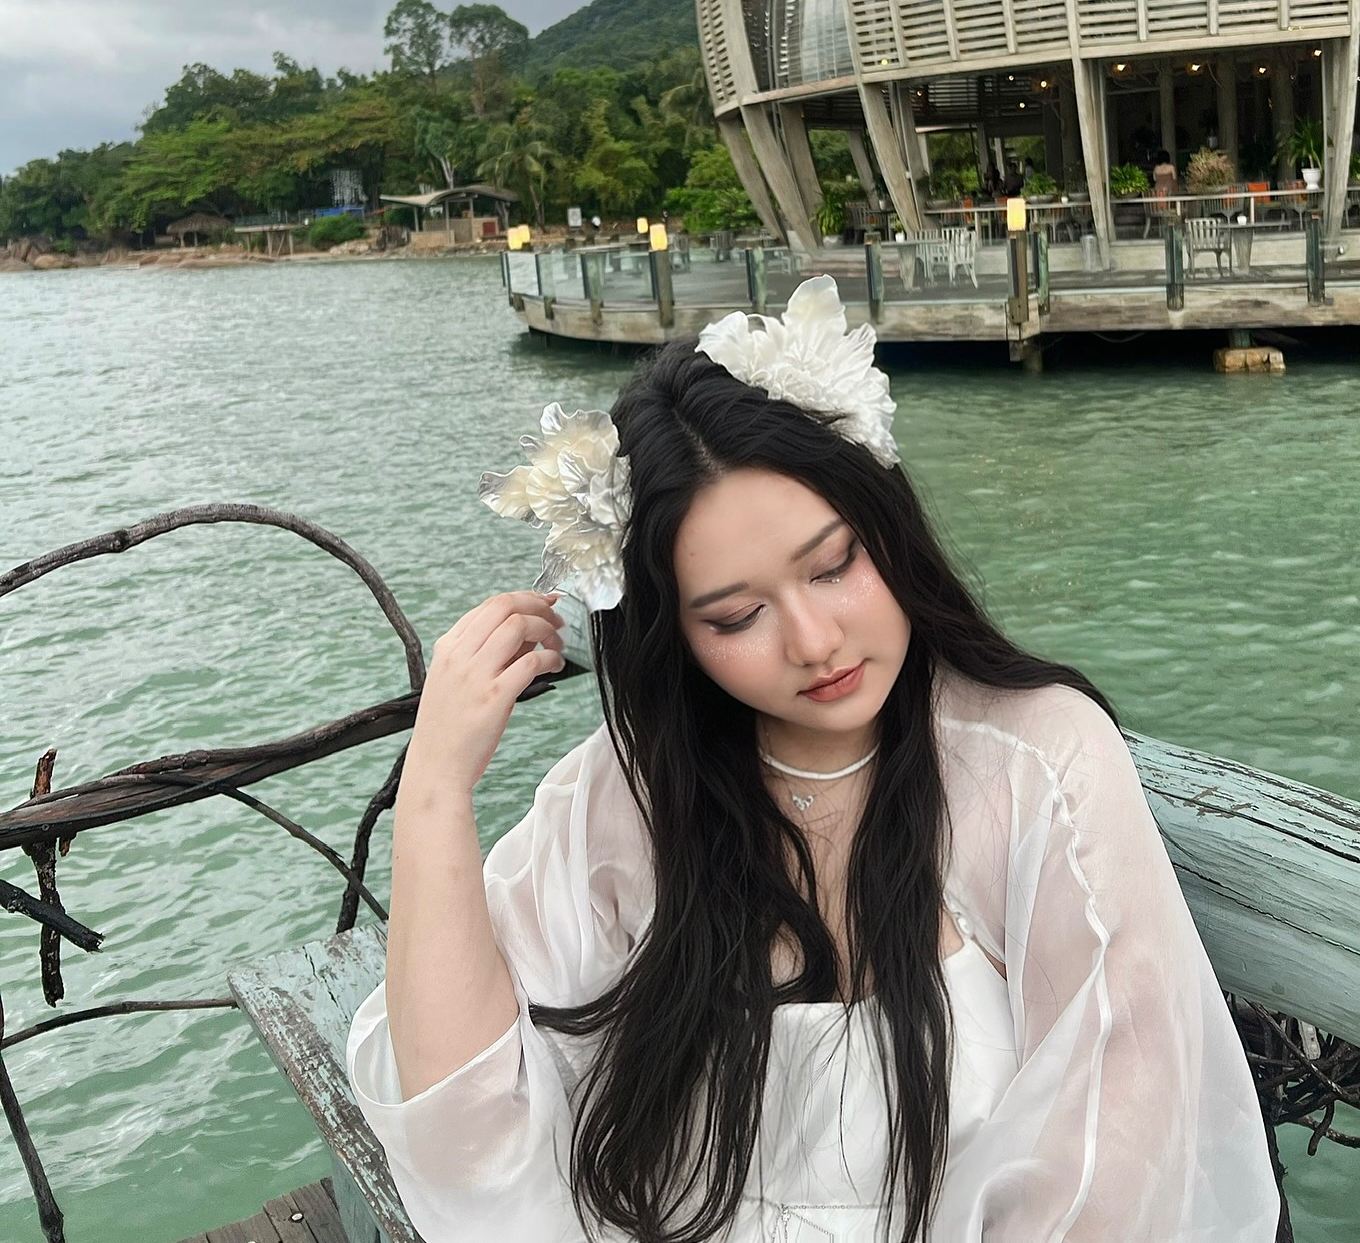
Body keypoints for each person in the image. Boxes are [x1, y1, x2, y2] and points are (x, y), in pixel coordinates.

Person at [347, 279, 1279, 1242]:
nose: (813, 640)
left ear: (888, 525)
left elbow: (1113, 1161)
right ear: (678, 637)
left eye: (834, 567)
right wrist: (436, 790)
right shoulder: (634, 794)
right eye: (736, 616)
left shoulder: (1036, 763)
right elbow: (465, 1121)